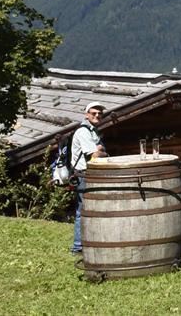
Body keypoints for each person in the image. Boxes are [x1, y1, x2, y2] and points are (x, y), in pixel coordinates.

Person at [70, 102, 108, 254]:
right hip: (83, 175)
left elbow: (100, 151)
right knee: (84, 210)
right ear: (87, 114)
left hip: (89, 174)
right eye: (94, 113)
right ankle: (78, 246)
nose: (97, 115)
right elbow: (94, 155)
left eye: (100, 113)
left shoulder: (93, 131)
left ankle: (88, 242)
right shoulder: (84, 132)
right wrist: (100, 150)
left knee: (90, 209)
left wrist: (100, 150)